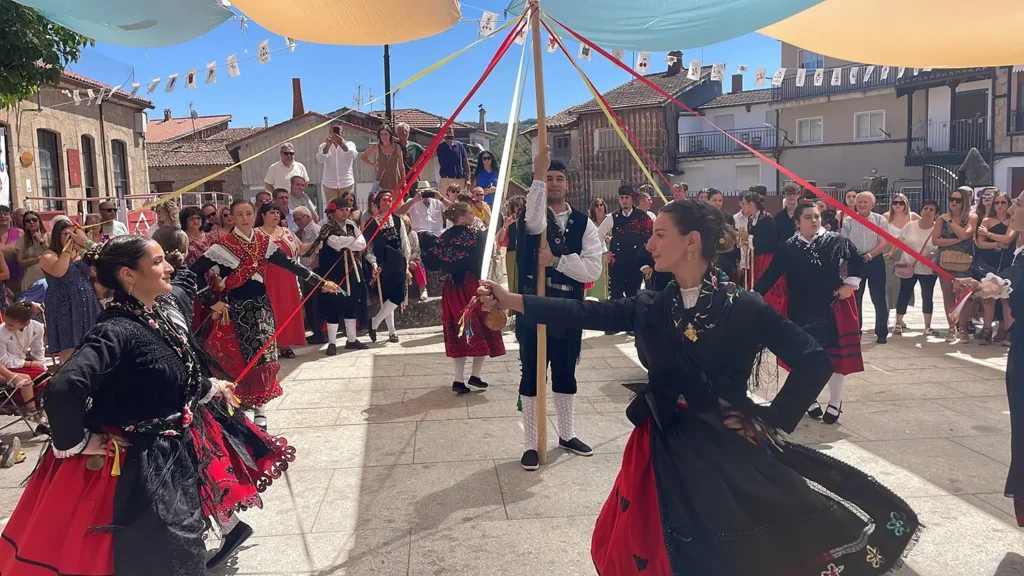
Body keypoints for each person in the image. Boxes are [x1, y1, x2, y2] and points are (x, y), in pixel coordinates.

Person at [477, 198, 920, 575]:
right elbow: (586, 313)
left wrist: (768, 418)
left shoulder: (744, 307)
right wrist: (512, 300)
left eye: (660, 235)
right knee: (651, 548)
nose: (650, 244)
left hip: (720, 447)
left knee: (720, 551)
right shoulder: (652, 304)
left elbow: (814, 360)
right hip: (660, 444)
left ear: (692, 241)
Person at [0, 234, 298, 574]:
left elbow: (166, 372)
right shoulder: (116, 329)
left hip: (170, 460)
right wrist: (77, 442)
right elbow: (63, 388)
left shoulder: (153, 317)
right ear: (128, 274)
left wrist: (212, 387)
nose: (169, 267)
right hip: (140, 473)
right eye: (157, 262)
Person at [192, 200, 340, 429]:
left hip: (261, 307)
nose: (244, 218)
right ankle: (235, 405)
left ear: (254, 216)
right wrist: (211, 302)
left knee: (265, 356)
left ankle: (261, 409)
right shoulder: (223, 246)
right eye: (239, 214)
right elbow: (195, 272)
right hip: (234, 309)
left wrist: (320, 282)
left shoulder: (263, 242)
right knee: (236, 359)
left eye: (248, 213)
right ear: (232, 217)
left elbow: (291, 264)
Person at [513, 155, 602, 470]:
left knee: (565, 371)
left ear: (568, 184)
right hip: (535, 305)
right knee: (532, 373)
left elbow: (593, 269)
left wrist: (557, 261)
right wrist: (537, 175)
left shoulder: (584, 223)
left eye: (558, 179)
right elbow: (534, 221)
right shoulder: (533, 216)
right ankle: (530, 443)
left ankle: (567, 434)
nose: (554, 183)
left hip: (568, 308)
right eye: (549, 178)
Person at [755, 202, 865, 424]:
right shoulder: (788, 247)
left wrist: (850, 285)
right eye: (808, 217)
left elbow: (859, 261)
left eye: (816, 216)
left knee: (834, 357)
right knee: (805, 357)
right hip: (800, 309)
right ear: (797, 222)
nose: (814, 220)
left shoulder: (836, 240)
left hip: (831, 306)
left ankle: (835, 401)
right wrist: (752, 296)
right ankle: (810, 398)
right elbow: (771, 274)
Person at [957, 189, 1024, 526]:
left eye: (1018, 204)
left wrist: (989, 286)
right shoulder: (1019, 250)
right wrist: (982, 285)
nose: (1010, 209)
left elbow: (1009, 284)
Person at [423, 201, 506, 393]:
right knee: (482, 324)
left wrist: (449, 265)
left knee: (458, 328)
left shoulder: (444, 237)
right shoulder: (471, 236)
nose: (473, 216)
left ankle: (459, 379)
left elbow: (430, 260)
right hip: (471, 286)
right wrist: (498, 218)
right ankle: (474, 375)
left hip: (452, 287)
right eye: (470, 213)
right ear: (461, 218)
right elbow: (487, 237)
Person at [40, 219, 101, 364]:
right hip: (63, 304)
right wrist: (67, 248)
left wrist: (83, 245)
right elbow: (59, 271)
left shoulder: (78, 253)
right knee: (69, 346)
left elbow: (94, 271)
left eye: (73, 233)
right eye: (66, 234)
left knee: (91, 342)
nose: (71, 237)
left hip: (86, 301)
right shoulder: (48, 255)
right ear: (57, 235)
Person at [314, 198, 369, 354]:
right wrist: (351, 241)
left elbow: (362, 244)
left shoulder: (352, 225)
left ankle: (351, 339)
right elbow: (335, 244)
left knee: (351, 304)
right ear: (332, 212)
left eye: (347, 209)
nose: (345, 212)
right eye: (341, 210)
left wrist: (348, 242)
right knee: (333, 305)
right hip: (334, 273)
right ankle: (332, 342)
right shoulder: (326, 228)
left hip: (352, 270)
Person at [258, 202, 308, 358]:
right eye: (271, 212)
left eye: (277, 212)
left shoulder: (286, 231)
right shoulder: (256, 233)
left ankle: (284, 344)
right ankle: (269, 345)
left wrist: (320, 240)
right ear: (263, 215)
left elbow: (301, 248)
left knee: (286, 309)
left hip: (287, 277)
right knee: (269, 310)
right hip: (266, 278)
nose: (275, 215)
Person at [841, 190, 890, 344]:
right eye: (860, 202)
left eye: (865, 202)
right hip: (856, 262)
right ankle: (856, 331)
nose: (862, 204)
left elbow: (884, 242)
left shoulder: (880, 220)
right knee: (856, 298)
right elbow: (844, 242)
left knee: (879, 297)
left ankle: (881, 332)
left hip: (875, 261)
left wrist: (870, 255)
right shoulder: (849, 221)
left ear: (872, 205)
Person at [364, 191, 411, 344]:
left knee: (398, 296)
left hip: (398, 262)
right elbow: (368, 247)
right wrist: (373, 263)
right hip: (382, 264)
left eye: (390, 200)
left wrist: (406, 262)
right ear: (377, 202)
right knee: (387, 297)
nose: (388, 202)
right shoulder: (371, 224)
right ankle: (392, 331)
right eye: (384, 199)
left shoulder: (397, 220)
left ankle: (375, 322)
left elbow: (404, 242)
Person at [933, 186, 977, 343]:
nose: (954, 203)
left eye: (958, 200)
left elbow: (966, 234)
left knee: (964, 297)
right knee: (948, 296)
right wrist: (957, 240)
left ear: (965, 202)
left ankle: (963, 328)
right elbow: (935, 240)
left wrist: (951, 222)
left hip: (964, 261)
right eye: (951, 199)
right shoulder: (941, 219)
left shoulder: (971, 217)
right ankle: (952, 327)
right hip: (945, 261)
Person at [976, 190, 1017, 345]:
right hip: (988, 262)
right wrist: (999, 244)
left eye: (1003, 202)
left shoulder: (1013, 220)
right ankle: (987, 332)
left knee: (1006, 299)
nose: (1000, 205)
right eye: (997, 202)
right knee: (987, 298)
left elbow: (1008, 239)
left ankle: (1008, 333)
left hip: (1007, 262)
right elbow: (980, 244)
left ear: (1008, 204)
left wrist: (988, 234)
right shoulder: (987, 220)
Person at [894, 200, 939, 337]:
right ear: (921, 210)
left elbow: (941, 246)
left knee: (927, 295)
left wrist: (933, 255)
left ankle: (927, 326)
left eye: (932, 210)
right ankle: (898, 323)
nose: (928, 211)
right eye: (926, 208)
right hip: (908, 266)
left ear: (936, 214)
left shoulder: (937, 228)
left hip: (928, 269)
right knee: (904, 294)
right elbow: (899, 240)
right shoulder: (910, 225)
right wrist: (891, 252)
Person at [607, 185, 652, 309]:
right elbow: (597, 235)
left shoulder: (642, 216)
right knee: (616, 296)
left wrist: (647, 260)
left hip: (635, 262)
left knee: (633, 296)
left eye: (627, 197)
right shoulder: (613, 217)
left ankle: (632, 321)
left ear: (632, 199)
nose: (624, 201)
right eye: (622, 198)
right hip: (617, 263)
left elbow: (653, 235)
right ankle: (615, 319)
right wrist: (605, 252)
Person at [744, 191, 787, 315]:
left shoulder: (766, 218)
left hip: (767, 258)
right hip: (756, 257)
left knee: (768, 286)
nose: (743, 206)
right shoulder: (751, 219)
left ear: (751, 204)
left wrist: (748, 238)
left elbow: (767, 241)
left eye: (744, 204)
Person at [0, 302, 46, 414]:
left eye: (11, 324)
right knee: (28, 378)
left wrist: (41, 365)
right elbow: (2, 359)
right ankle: (30, 410)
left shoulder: (37, 328)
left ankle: (40, 405)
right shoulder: (2, 332)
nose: (7, 326)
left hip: (18, 363)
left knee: (44, 375)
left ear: (26, 323)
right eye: (6, 322)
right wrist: (28, 364)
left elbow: (38, 350)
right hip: (5, 367)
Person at [882, 192, 919, 328]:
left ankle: (900, 317)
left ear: (906, 204)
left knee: (904, 287)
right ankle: (885, 316)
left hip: (907, 255)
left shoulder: (913, 217)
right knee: (887, 286)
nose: (898, 205)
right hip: (889, 254)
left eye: (901, 203)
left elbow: (925, 226)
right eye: (895, 202)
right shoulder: (886, 217)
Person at [294, 206, 326, 344]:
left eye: (299, 219)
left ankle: (319, 332)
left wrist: (310, 269)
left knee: (315, 303)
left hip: (313, 271)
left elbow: (319, 252)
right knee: (310, 303)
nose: (298, 222)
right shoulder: (303, 232)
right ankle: (315, 331)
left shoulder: (314, 230)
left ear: (307, 217)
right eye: (295, 220)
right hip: (306, 271)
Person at [317, 120, 359, 202]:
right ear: (330, 131)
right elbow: (320, 159)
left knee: (347, 207)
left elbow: (353, 155)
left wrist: (342, 144)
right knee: (332, 208)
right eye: (333, 129)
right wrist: (327, 146)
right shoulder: (323, 145)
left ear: (342, 132)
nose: (335, 132)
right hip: (329, 184)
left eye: (338, 129)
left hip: (346, 183)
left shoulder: (350, 144)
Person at [360, 124, 406, 195]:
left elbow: (401, 165)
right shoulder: (377, 147)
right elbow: (363, 157)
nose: (384, 136)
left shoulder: (397, 147)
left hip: (395, 180)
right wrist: (373, 164)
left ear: (390, 134)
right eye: (382, 134)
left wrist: (404, 181)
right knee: (382, 200)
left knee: (397, 201)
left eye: (385, 134)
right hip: (381, 181)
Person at [496, 196, 525, 295]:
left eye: (522, 206)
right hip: (512, 253)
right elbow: (500, 241)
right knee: (512, 283)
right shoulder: (509, 221)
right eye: (517, 206)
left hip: (526, 253)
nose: (520, 208)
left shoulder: (528, 221)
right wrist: (506, 225)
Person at [15, 210, 47, 294]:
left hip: (48, 278)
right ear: (25, 224)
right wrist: (38, 259)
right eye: (28, 221)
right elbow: (20, 262)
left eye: (34, 220)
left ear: (39, 221)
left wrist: (40, 241)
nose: (31, 222)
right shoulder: (21, 240)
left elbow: (53, 254)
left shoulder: (49, 236)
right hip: (30, 280)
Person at [586, 197, 611, 300]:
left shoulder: (610, 221)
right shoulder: (590, 224)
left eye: (601, 205)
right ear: (593, 209)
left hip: (610, 254)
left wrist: (611, 239)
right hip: (596, 254)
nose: (599, 207)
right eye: (597, 205)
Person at [436, 126, 471, 195]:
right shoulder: (440, 146)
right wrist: (439, 139)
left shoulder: (459, 145)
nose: (448, 131)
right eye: (446, 130)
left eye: (450, 129)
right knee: (444, 200)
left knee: (460, 200)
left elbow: (466, 162)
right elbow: (429, 155)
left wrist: (468, 178)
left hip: (459, 179)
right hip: (445, 179)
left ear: (453, 132)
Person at [0, 205, 23, 294]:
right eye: (0, 214)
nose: (2, 216)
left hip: (18, 277)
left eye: (6, 214)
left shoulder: (20, 233)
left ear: (11, 217)